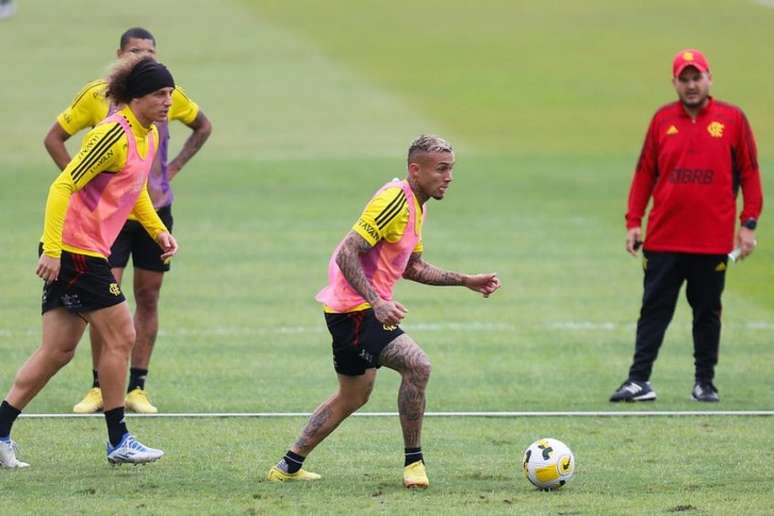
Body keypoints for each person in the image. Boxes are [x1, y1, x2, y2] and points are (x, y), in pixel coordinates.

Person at [266, 135, 501, 487]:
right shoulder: (394, 199)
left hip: (357, 309)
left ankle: (287, 466)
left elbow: (413, 267)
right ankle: (413, 464)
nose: (449, 176)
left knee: (352, 396)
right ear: (415, 169)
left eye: (451, 169)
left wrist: (465, 280)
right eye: (441, 169)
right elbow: (348, 252)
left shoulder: (416, 206)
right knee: (418, 365)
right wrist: (377, 302)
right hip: (355, 310)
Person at [0, 55, 178, 468]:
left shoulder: (148, 136)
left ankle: (1, 428)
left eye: (170, 93)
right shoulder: (112, 134)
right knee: (122, 336)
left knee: (58, 351)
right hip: (77, 250)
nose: (168, 102)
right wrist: (52, 250)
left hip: (84, 251)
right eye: (158, 94)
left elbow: (134, 192)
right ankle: (119, 440)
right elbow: (63, 185)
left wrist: (157, 230)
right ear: (135, 98)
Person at [44, 27, 212, 414]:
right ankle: (101, 390)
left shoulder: (161, 104)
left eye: (149, 52)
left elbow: (203, 125)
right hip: (103, 224)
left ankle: (136, 390)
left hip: (150, 209)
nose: (143, 58)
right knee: (106, 300)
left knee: (147, 297)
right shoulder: (102, 105)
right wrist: (83, 185)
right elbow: (57, 154)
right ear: (120, 54)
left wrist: (169, 175)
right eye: (136, 52)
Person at [610, 49, 763, 403]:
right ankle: (638, 381)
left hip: (711, 241)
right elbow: (645, 172)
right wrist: (634, 221)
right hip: (664, 238)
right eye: (684, 78)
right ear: (675, 82)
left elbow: (751, 173)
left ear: (709, 78)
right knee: (654, 309)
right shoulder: (663, 120)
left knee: (707, 313)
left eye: (697, 77)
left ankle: (704, 383)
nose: (691, 85)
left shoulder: (732, 119)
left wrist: (749, 223)